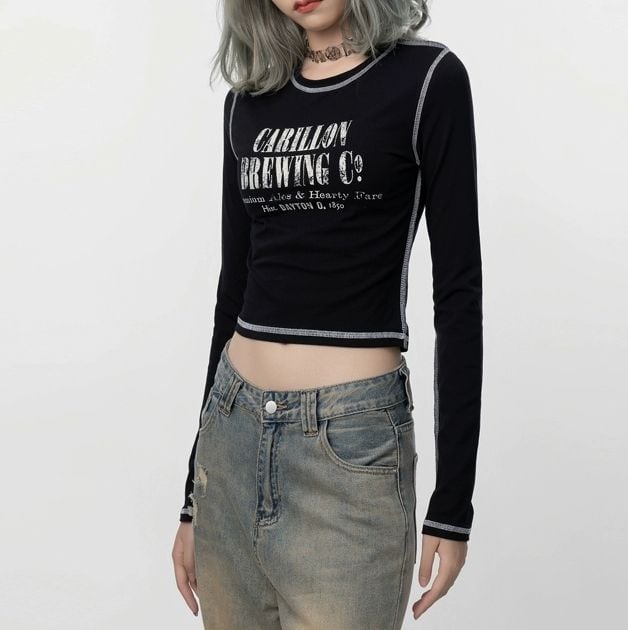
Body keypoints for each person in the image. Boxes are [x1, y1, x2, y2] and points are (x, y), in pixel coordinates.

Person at [171, 0, 483, 627]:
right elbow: (234, 291)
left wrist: (452, 505)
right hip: (231, 440)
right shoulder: (248, 100)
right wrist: (190, 500)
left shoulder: (427, 80)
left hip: (350, 451)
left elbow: (458, 294)